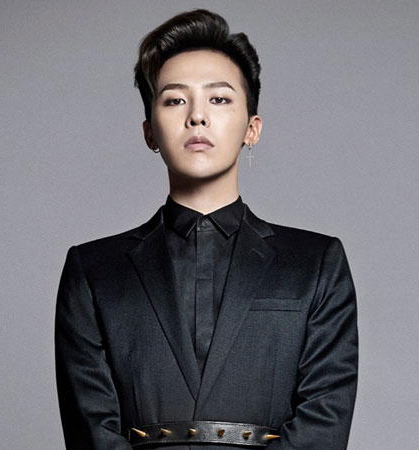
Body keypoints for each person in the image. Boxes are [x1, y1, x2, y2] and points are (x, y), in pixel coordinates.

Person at [54, 8, 358, 450]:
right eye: (175, 100)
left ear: (252, 129)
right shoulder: (93, 270)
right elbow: (91, 430)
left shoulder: (315, 263)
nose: (197, 116)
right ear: (149, 132)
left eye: (219, 99)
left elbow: (323, 422)